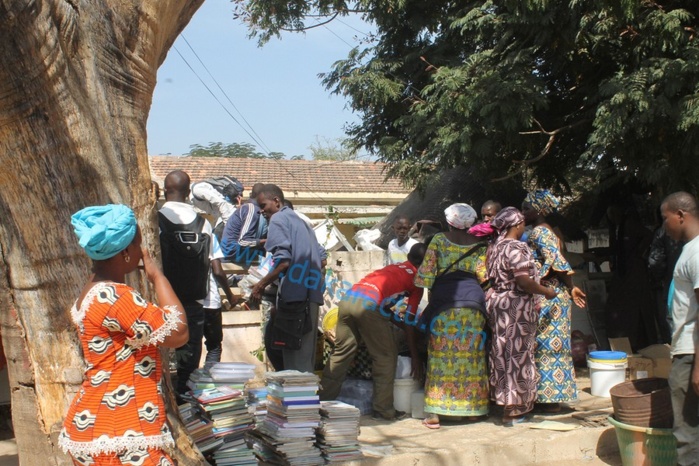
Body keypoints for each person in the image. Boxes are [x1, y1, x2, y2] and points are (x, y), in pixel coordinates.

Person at [58, 204, 189, 465]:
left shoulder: (90, 293)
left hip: (94, 424)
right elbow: (179, 332)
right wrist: (158, 277)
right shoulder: (115, 297)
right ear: (128, 252)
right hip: (122, 428)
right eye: (139, 245)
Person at [320, 243, 426, 421]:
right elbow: (409, 321)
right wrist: (415, 355)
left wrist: (398, 323)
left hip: (348, 299)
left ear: (409, 257)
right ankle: (383, 409)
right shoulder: (417, 281)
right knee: (385, 356)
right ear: (425, 264)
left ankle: (322, 400)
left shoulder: (393, 267)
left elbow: (385, 307)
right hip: (368, 307)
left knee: (341, 352)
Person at [413, 203, 489, 429]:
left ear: (449, 221)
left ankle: (435, 414)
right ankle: (474, 410)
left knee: (440, 355)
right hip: (474, 302)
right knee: (472, 356)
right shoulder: (481, 244)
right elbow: (484, 277)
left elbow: (425, 277)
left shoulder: (438, 240)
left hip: (446, 302)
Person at [483, 207, 557, 426]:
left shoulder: (494, 247)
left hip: (499, 304)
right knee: (518, 354)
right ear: (516, 225)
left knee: (503, 350)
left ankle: (506, 403)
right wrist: (547, 292)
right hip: (516, 305)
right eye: (523, 223)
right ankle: (514, 410)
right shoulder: (517, 247)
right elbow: (523, 281)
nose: (525, 226)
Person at [522, 189, 586, 413]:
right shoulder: (547, 231)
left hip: (550, 295)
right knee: (549, 344)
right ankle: (548, 398)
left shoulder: (541, 233)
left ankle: (549, 400)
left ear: (539, 210)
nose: (523, 212)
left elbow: (556, 261)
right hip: (552, 293)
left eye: (527, 208)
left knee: (547, 345)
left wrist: (571, 286)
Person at [251, 184, 327, 373]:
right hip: (311, 298)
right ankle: (308, 401)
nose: (261, 211)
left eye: (263, 205)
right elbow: (322, 259)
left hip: (295, 300)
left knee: (293, 369)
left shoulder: (278, 219)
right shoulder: (302, 223)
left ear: (276, 201)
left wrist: (259, 286)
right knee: (304, 364)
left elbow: (283, 262)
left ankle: (299, 401)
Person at [159, 170, 214, 399]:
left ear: (164, 191)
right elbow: (210, 264)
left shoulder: (154, 219)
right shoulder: (204, 224)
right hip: (193, 302)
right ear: (189, 192)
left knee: (157, 355)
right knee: (189, 361)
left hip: (160, 302)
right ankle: (186, 402)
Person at [660, 191, 699, 465]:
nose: (664, 225)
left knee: (686, 434)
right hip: (687, 352)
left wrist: (698, 366)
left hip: (691, 354)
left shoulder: (696, 252)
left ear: (680, 216)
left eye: (665, 218)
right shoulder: (690, 250)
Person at [221, 182, 268, 267]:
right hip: (232, 251)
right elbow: (243, 242)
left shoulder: (248, 207)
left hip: (231, 249)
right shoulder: (251, 209)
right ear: (261, 196)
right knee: (269, 263)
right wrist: (264, 241)